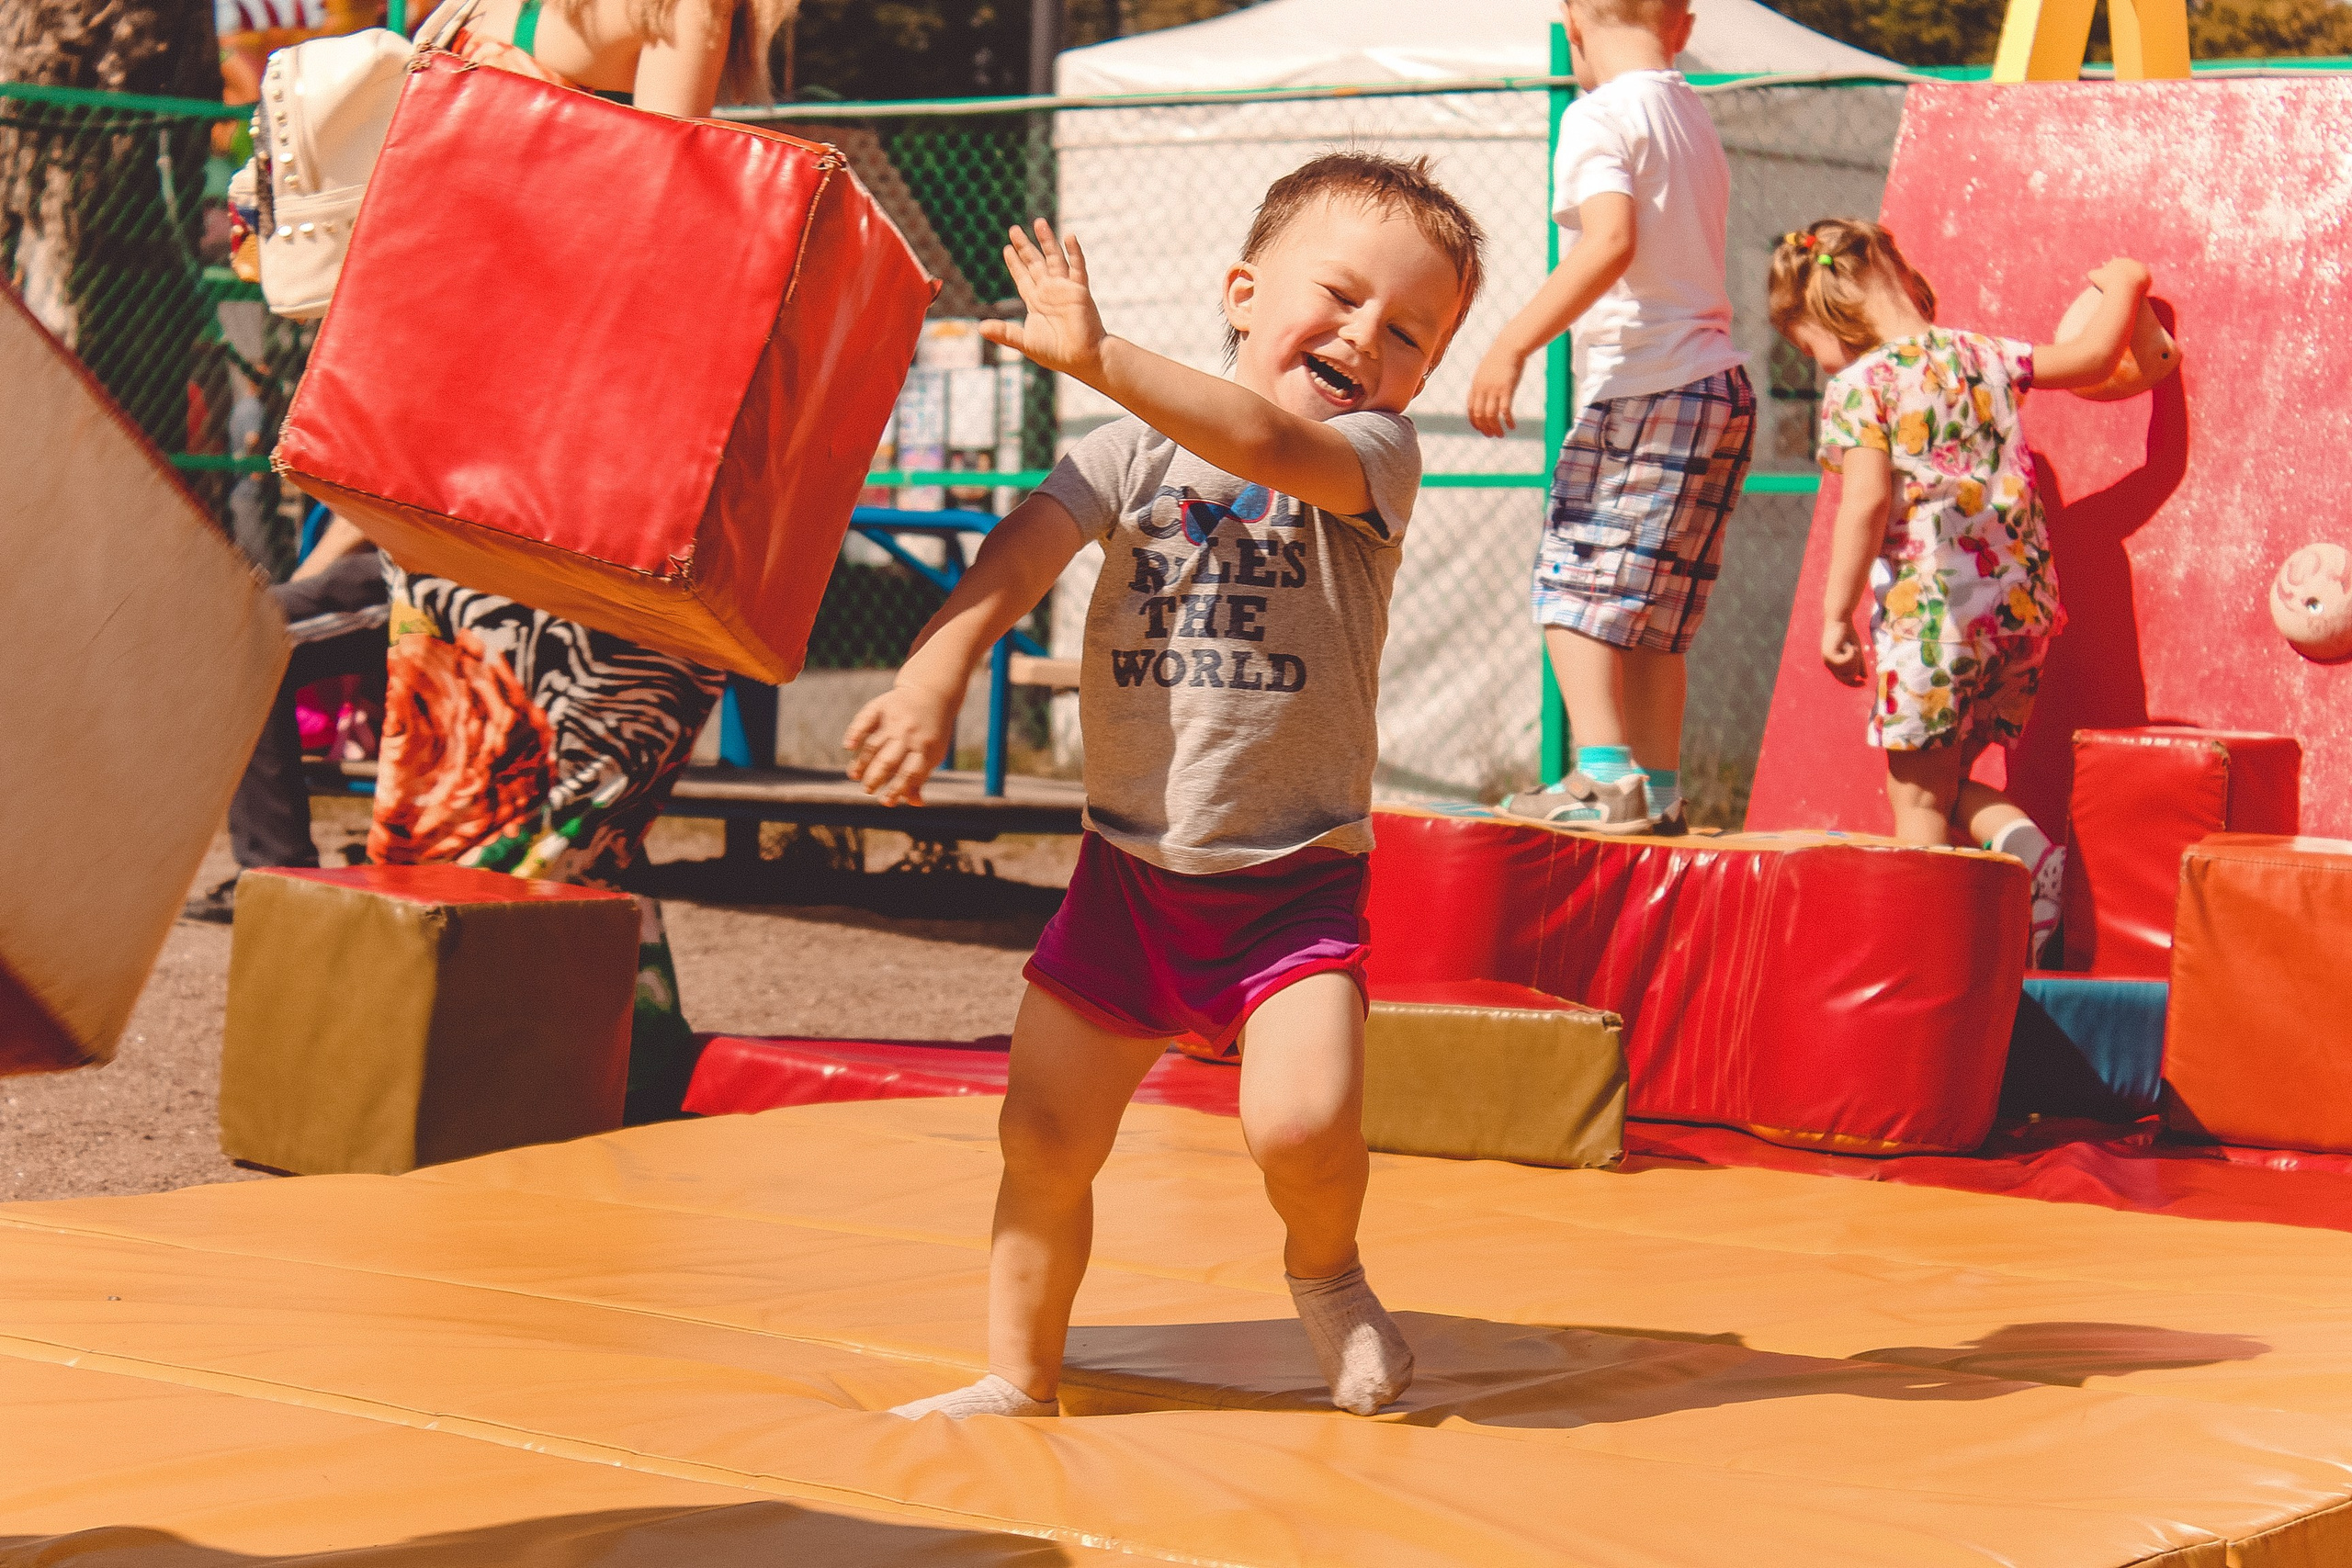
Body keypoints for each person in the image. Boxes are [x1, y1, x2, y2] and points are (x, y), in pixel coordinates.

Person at [846, 153, 1484, 1420]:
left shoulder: (1370, 456)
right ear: (1244, 294)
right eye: (1341, 296)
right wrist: (932, 673)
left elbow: (1259, 440)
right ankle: (1018, 1372)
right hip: (1127, 879)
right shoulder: (1124, 453)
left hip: (1289, 886)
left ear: (1419, 378)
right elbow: (1021, 552)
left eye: (1409, 332)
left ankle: (1327, 1270)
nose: (1367, 335)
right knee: (1041, 1138)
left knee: (1301, 1127)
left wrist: (1100, 354)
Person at [363, 0, 793, 1120]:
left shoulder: (465, 9)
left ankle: (421, 1068)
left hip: (453, 432)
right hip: (575, 463)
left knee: (460, 771)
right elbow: (667, 209)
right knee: (576, 795)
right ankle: (534, 1080)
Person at [1770, 218, 2151, 962]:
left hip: (1933, 622)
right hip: (2021, 615)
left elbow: (1866, 501)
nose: (1816, 363)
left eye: (1806, 346)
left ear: (1826, 314)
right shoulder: (1986, 355)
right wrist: (2127, 283)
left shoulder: (1860, 386)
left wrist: (1835, 612)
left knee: (1915, 801)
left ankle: (1921, 961)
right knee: (1943, 791)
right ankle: (2040, 869)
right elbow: (2094, 356)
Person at [1466, 0, 1754, 835]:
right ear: (1683, 28)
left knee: (1572, 577)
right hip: (1719, 385)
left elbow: (1609, 240)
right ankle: (1659, 791)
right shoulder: (1693, 118)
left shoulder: (1598, 115)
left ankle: (1603, 777)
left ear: (1572, 28)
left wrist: (1512, 344)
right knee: (1661, 613)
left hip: (1647, 381)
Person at [184, 514, 387, 923]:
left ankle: (277, 875)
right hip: (424, 566)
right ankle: (275, 872)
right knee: (245, 631)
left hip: (437, 577)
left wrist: (284, 595)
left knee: (249, 633)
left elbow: (360, 520)